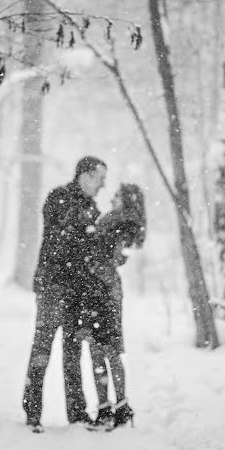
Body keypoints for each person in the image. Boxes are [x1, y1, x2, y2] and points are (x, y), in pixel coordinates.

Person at [22, 156, 107, 433]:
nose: (103, 185)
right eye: (99, 177)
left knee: (72, 354)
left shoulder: (93, 209)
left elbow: (88, 250)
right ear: (84, 175)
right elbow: (59, 237)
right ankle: (32, 412)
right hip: (52, 286)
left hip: (77, 292)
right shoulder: (58, 197)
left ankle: (77, 414)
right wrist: (86, 234)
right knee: (42, 348)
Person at [81, 183, 146, 431]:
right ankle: (108, 409)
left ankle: (118, 408)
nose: (112, 198)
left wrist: (97, 258)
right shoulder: (116, 221)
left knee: (107, 349)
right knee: (98, 348)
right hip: (98, 287)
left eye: (117, 195)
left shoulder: (125, 222)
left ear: (127, 199)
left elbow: (116, 255)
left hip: (105, 289)